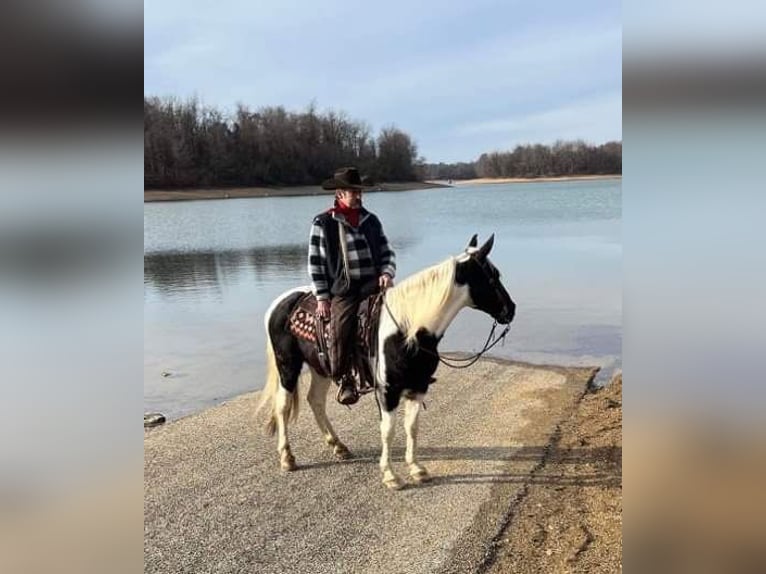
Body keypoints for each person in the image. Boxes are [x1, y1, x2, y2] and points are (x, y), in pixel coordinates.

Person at [308, 167, 396, 405]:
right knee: (341, 327)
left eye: (359, 191)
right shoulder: (323, 222)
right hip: (344, 290)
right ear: (339, 193)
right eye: (352, 192)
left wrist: (387, 273)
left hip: (373, 285)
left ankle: (404, 368)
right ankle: (345, 378)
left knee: (404, 317)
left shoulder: (371, 220)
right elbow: (315, 262)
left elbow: (387, 252)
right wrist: (322, 297)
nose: (358, 196)